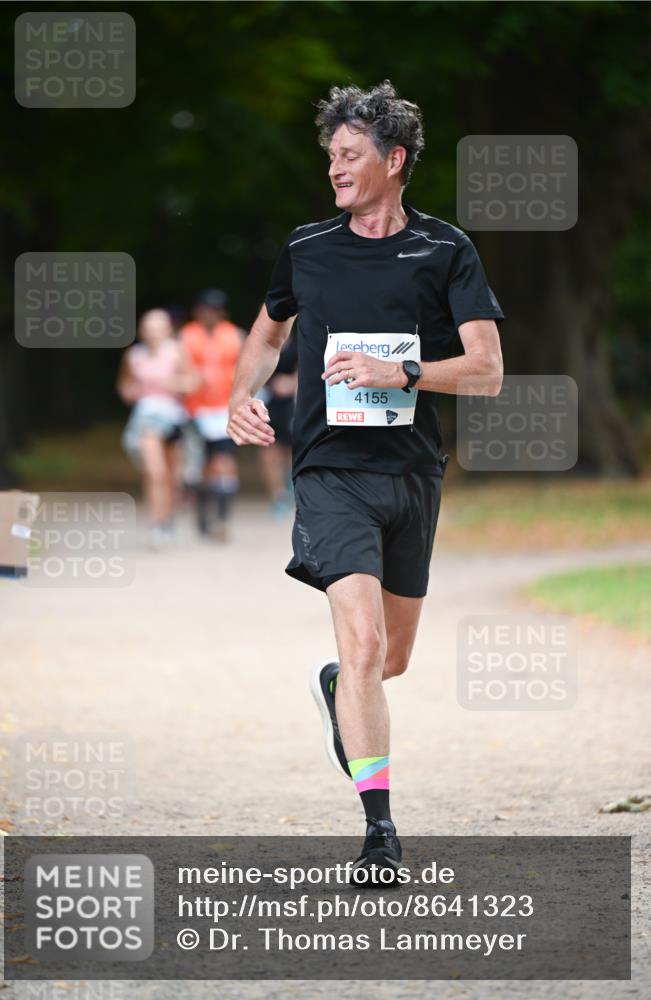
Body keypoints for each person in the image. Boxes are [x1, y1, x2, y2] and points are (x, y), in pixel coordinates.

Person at [227, 81, 504, 882]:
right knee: (363, 642)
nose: (335, 171)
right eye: (330, 158)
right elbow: (268, 329)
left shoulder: (445, 250)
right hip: (328, 470)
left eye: (350, 157)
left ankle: (338, 688)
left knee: (390, 659)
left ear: (394, 160)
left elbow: (485, 371)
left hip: (411, 472)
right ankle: (379, 831)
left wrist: (399, 370)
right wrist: (241, 393)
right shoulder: (307, 248)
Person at [117, 308, 195, 549]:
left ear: (167, 330)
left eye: (158, 328)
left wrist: (172, 383)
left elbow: (194, 381)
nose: (153, 333)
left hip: (172, 417)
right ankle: (156, 523)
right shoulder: (134, 355)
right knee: (155, 472)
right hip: (146, 418)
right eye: (149, 329)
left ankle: (167, 519)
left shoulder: (177, 351)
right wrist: (131, 392)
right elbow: (125, 385)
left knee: (172, 476)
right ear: (143, 331)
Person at [181, 289, 244, 541]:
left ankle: (222, 520)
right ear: (198, 311)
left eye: (216, 309)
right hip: (195, 411)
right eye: (207, 308)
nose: (211, 314)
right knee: (202, 469)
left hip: (224, 410)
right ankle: (203, 517)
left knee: (225, 464)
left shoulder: (235, 336)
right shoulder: (186, 337)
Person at [257, 326, 298, 517]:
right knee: (268, 453)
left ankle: (294, 489)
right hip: (268, 403)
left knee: (292, 453)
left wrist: (292, 382)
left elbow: (309, 368)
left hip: (293, 404)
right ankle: (278, 496)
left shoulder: (298, 343)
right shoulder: (259, 344)